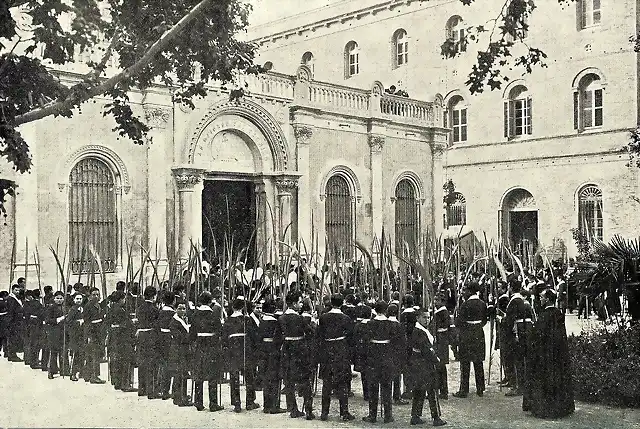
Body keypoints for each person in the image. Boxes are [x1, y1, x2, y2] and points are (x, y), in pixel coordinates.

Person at [523, 289, 575, 418]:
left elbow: (537, 337)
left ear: (547, 299)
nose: (540, 299)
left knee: (544, 379)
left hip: (544, 354)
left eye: (541, 297)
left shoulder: (544, 315)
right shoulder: (558, 313)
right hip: (557, 353)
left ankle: (545, 408)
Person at [362, 300, 405, 424]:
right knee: (387, 386)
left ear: (375, 310)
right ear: (386, 310)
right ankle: (388, 415)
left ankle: (372, 415)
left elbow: (365, 342)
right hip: (387, 358)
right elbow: (397, 343)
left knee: (373, 387)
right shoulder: (392, 324)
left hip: (373, 359)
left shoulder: (369, 323)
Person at [317, 294, 355, 422]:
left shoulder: (323, 318)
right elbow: (350, 338)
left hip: (327, 351)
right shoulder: (346, 318)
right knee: (342, 383)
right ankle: (344, 413)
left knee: (326, 383)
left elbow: (319, 336)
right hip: (340, 351)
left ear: (331, 303)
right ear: (342, 302)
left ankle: (324, 413)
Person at [277, 292, 315, 419]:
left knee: (289, 381)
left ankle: (293, 409)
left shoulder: (281, 318)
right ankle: (309, 411)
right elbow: (310, 332)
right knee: (305, 380)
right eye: (299, 302)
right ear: (293, 304)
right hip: (300, 350)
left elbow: (277, 338)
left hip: (287, 350)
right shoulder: (300, 319)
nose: (301, 304)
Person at [222, 297, 260, 413]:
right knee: (249, 375)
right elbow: (253, 335)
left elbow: (224, 339)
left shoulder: (228, 321)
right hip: (245, 348)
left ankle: (236, 403)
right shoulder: (246, 320)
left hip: (233, 350)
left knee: (234, 376)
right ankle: (250, 402)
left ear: (233, 308)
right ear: (243, 308)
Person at [409, 308, 446, 427]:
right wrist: (437, 360)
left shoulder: (422, 330)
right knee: (431, 390)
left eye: (429, 317)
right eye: (424, 317)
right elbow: (426, 349)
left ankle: (415, 416)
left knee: (419, 390)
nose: (427, 320)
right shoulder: (419, 331)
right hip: (423, 364)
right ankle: (436, 417)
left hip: (419, 363)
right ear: (418, 318)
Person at [190, 290, 224, 412]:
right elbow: (220, 332)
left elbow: (192, 334)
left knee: (199, 373)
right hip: (211, 345)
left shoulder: (195, 315)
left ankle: (198, 402)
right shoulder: (214, 315)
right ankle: (213, 403)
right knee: (212, 374)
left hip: (199, 345)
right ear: (210, 302)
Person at [453, 283, 488, 398]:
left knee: (465, 362)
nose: (463, 293)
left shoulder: (465, 305)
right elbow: (484, 320)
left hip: (467, 334)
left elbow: (459, 322)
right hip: (478, 333)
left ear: (470, 291)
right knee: (478, 362)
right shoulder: (483, 304)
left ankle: (464, 389)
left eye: (465, 290)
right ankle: (480, 388)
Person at [258, 298, 287, 414]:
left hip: (263, 351)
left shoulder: (261, 322)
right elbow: (279, 338)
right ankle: (275, 405)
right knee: (275, 378)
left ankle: (266, 405)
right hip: (274, 351)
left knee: (266, 378)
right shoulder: (276, 322)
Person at [105, 290, 136, 392]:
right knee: (125, 360)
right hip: (122, 337)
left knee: (116, 360)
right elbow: (127, 323)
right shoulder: (120, 310)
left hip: (114, 336)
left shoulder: (110, 309)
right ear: (120, 299)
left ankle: (117, 382)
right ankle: (125, 384)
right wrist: (132, 322)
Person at [169, 301, 192, 407]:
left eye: (184, 308)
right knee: (180, 373)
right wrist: (190, 337)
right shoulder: (174, 322)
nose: (182, 310)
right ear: (175, 309)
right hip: (178, 350)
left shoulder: (184, 320)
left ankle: (180, 395)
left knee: (182, 373)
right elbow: (179, 337)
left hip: (183, 350)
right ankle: (180, 398)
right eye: (180, 308)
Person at [137, 286, 159, 398]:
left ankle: (142, 389)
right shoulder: (154, 309)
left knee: (142, 362)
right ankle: (151, 390)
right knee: (151, 363)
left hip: (141, 335)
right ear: (153, 296)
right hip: (151, 335)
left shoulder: (140, 308)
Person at [156, 292, 176, 400]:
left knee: (163, 364)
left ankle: (162, 388)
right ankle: (167, 389)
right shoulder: (173, 313)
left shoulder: (161, 312)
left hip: (161, 338)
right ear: (173, 301)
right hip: (169, 339)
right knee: (170, 365)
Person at [83, 287, 106, 384]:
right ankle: (93, 376)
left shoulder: (99, 305)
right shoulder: (88, 306)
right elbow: (86, 322)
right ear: (90, 296)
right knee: (93, 354)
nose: (96, 296)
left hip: (99, 331)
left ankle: (88, 375)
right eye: (94, 295)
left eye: (97, 294)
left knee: (95, 354)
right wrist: (88, 335)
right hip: (92, 332)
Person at [431, 293, 450, 400]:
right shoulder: (440, 312)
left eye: (437, 300)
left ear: (442, 302)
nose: (435, 302)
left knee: (440, 365)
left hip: (440, 341)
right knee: (439, 366)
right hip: (440, 340)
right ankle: (440, 389)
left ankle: (443, 390)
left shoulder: (442, 313)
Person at [45, 291, 66, 379]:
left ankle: (63, 369)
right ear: (54, 299)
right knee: (53, 351)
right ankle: (51, 371)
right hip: (54, 332)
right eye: (57, 298)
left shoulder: (65, 308)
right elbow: (48, 320)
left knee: (63, 351)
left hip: (63, 331)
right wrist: (59, 319)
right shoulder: (51, 308)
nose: (59, 300)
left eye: (61, 298)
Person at [66, 293, 85, 382]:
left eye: (80, 299)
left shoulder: (82, 309)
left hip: (81, 334)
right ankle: (72, 373)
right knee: (75, 354)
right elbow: (68, 322)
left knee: (81, 353)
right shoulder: (72, 310)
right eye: (77, 299)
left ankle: (80, 371)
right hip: (74, 335)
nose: (79, 300)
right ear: (74, 300)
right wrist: (78, 322)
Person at [6, 284, 25, 362]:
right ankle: (12, 355)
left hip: (15, 321)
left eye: (18, 290)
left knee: (14, 338)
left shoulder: (16, 298)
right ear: (12, 290)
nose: (17, 292)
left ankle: (12, 354)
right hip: (13, 322)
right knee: (12, 338)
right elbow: (11, 311)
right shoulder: (11, 299)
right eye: (16, 290)